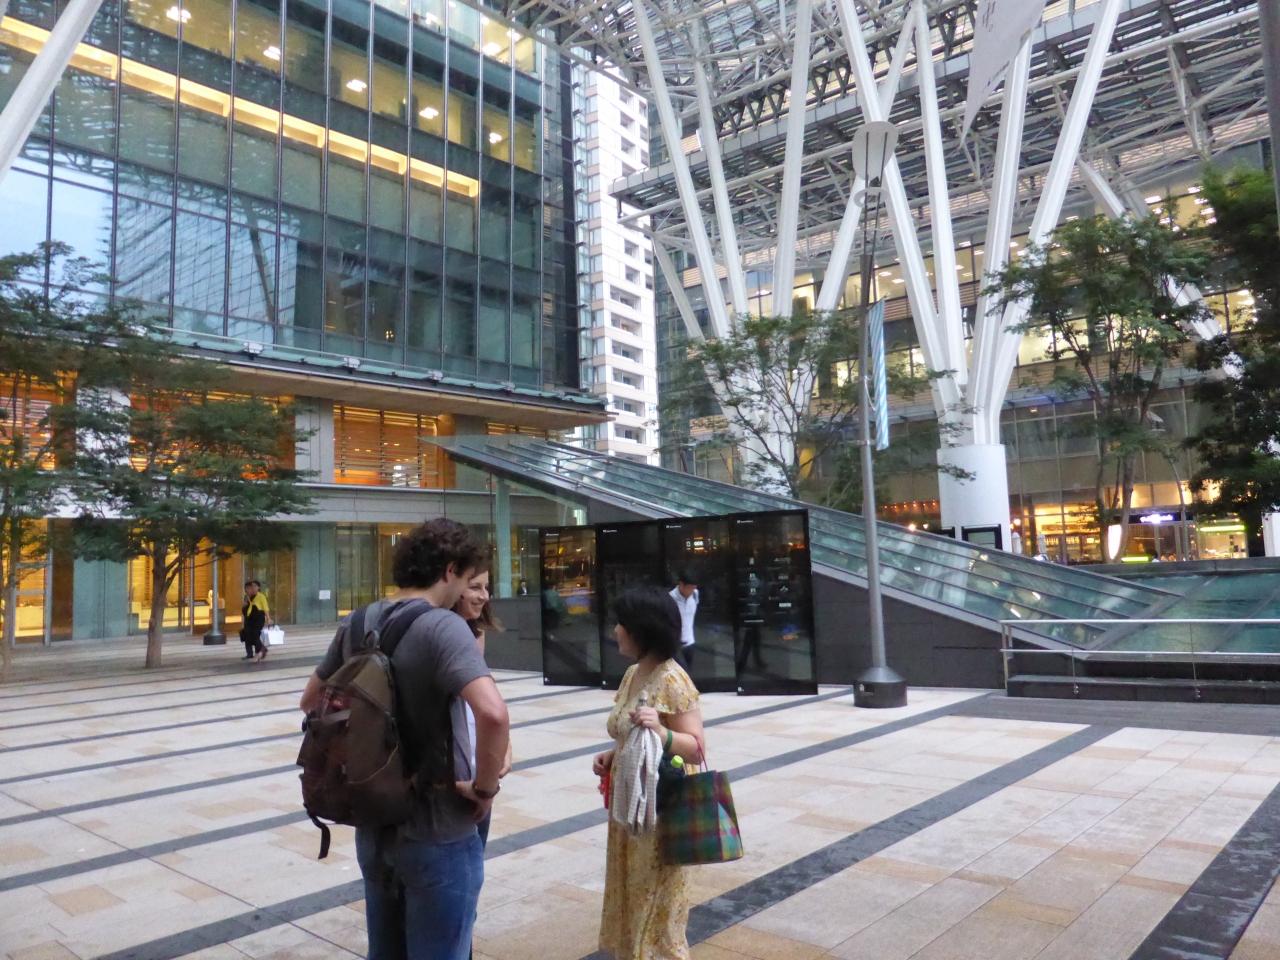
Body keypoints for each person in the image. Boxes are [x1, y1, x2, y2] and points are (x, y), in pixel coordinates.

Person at [299, 519, 511, 960]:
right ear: (450, 570)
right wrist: (485, 788)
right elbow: (493, 713)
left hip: (374, 821)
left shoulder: (359, 620)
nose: (468, 591)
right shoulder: (443, 626)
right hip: (438, 829)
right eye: (467, 578)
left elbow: (310, 701)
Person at [593, 586, 704, 960]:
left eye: (621, 624)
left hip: (660, 814)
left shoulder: (672, 678)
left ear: (641, 629)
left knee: (657, 909)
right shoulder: (631, 674)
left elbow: (696, 747)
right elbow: (632, 735)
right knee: (632, 898)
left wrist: (661, 731)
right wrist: (613, 755)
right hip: (630, 810)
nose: (615, 631)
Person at [450, 565, 514, 849]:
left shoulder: (474, 631)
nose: (484, 596)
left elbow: (485, 698)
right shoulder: (441, 633)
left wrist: (503, 743)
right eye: (475, 587)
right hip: (455, 768)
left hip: (475, 760)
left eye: (487, 587)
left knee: (475, 849)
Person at [668, 572, 699, 672]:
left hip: (690, 642)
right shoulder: (670, 599)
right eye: (689, 588)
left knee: (688, 673)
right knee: (680, 672)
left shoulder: (695, 594)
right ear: (681, 585)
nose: (692, 591)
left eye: (694, 588)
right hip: (676, 644)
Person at [240, 580, 270, 662]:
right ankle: (250, 653)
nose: (253, 588)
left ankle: (261, 650)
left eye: (254, 586)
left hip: (258, 618)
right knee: (247, 635)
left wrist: (268, 618)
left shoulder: (261, 596)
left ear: (258, 587)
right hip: (249, 618)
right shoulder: (248, 596)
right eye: (251, 586)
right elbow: (244, 607)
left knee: (255, 635)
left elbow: (265, 608)